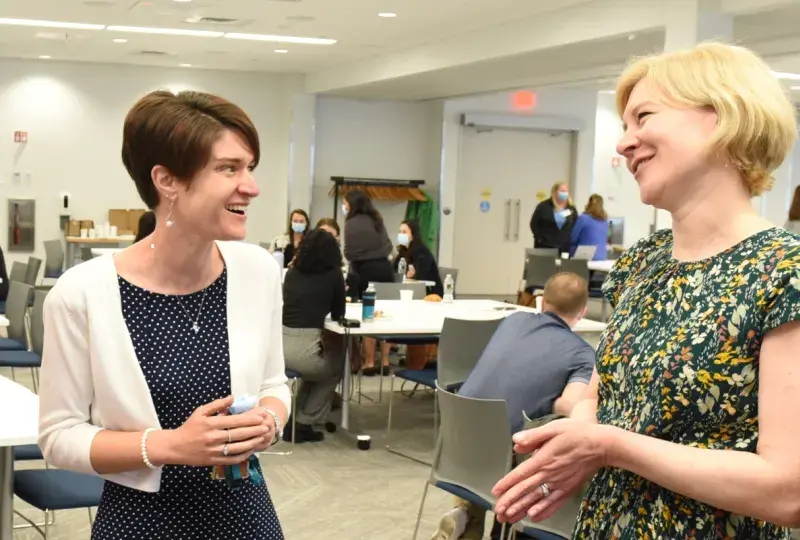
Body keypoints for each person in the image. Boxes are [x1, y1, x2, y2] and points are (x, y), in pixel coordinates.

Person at [492, 42, 800, 539]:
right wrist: (580, 439)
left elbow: (787, 490)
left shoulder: (785, 272)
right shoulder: (643, 262)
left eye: (644, 117)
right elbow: (600, 398)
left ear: (721, 116)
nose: (624, 144)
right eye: (624, 126)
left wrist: (609, 447)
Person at [38, 90, 291, 540]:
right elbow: (59, 436)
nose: (250, 186)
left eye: (250, 168)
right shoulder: (83, 294)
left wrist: (269, 420)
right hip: (141, 522)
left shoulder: (257, 273)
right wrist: (172, 445)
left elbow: (273, 384)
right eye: (228, 168)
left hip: (245, 517)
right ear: (167, 180)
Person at [431, 272, 594, 540]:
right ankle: (502, 526)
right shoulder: (583, 354)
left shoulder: (513, 320)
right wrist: (549, 398)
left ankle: (465, 516)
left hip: (454, 447)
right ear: (583, 312)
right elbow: (571, 406)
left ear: (541, 302)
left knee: (492, 436)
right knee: (546, 429)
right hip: (503, 461)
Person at [282, 229, 346, 443]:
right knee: (333, 370)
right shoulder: (334, 275)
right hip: (308, 349)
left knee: (314, 370)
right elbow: (339, 314)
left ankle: (295, 419)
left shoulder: (291, 273)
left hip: (281, 348)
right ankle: (304, 422)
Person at [342, 189, 393, 375]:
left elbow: (349, 253)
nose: (344, 206)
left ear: (351, 203)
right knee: (386, 313)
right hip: (385, 269)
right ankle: (386, 360)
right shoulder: (377, 218)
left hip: (364, 271)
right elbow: (388, 245)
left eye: (345, 202)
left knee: (369, 314)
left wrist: (364, 256)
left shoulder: (351, 223)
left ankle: (370, 361)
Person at [393, 219, 443, 297]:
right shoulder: (403, 252)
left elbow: (422, 275)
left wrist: (412, 275)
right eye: (400, 232)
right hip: (410, 291)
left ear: (413, 235)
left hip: (430, 294)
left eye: (404, 232)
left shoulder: (421, 251)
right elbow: (394, 271)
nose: (401, 234)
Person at [529, 183, 577, 255]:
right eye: (562, 191)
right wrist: (539, 238)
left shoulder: (571, 209)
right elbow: (534, 224)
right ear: (554, 192)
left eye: (566, 191)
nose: (564, 193)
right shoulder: (543, 206)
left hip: (564, 247)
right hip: (545, 246)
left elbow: (575, 225)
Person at [569, 194, 608, 261]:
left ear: (589, 204)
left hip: (585, 256)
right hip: (602, 257)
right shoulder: (605, 221)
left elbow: (573, 238)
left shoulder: (583, 218)